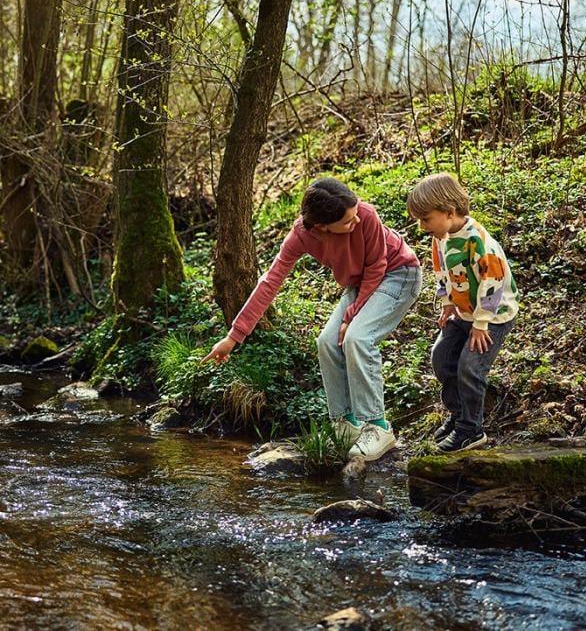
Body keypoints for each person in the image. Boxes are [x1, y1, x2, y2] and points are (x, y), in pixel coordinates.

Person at [203, 177, 422, 461]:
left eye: (355, 215)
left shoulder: (365, 215)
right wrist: (233, 338)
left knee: (357, 338)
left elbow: (376, 267)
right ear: (321, 226)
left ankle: (378, 428)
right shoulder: (301, 235)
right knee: (327, 342)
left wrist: (350, 317)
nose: (354, 222)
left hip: (398, 274)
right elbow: (270, 281)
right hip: (360, 285)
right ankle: (346, 425)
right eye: (346, 221)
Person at [407, 173, 519, 452]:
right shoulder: (440, 237)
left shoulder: (478, 241)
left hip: (492, 315)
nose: (422, 226)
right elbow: (442, 270)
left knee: (470, 366)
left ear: (450, 211)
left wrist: (481, 324)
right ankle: (458, 417)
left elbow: (493, 282)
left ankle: (471, 430)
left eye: (426, 219)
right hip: (464, 313)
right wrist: (447, 303)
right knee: (441, 358)